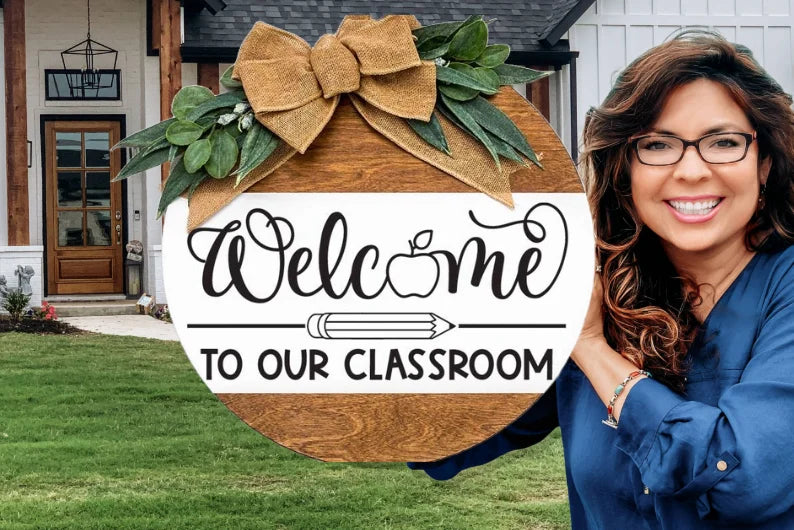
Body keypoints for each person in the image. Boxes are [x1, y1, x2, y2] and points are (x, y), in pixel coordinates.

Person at [409, 31, 794, 528]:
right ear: (624, 169)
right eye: (657, 144)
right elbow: (448, 434)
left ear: (763, 164)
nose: (693, 170)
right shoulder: (598, 291)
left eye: (724, 142)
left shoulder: (782, 289)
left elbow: (742, 479)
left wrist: (591, 348)